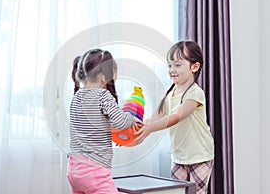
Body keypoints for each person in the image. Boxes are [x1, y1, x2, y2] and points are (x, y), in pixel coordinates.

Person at [135, 41, 214, 194]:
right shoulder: (171, 92)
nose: (172, 70)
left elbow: (176, 117)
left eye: (177, 65)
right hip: (179, 156)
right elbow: (157, 116)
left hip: (200, 155)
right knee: (176, 192)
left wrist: (150, 128)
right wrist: (142, 127)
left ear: (194, 67)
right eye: (169, 66)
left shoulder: (194, 93)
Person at [67, 49, 143, 194]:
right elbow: (120, 122)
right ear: (103, 77)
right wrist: (130, 118)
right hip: (95, 172)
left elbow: (90, 127)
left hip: (74, 169)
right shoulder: (103, 96)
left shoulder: (76, 97)